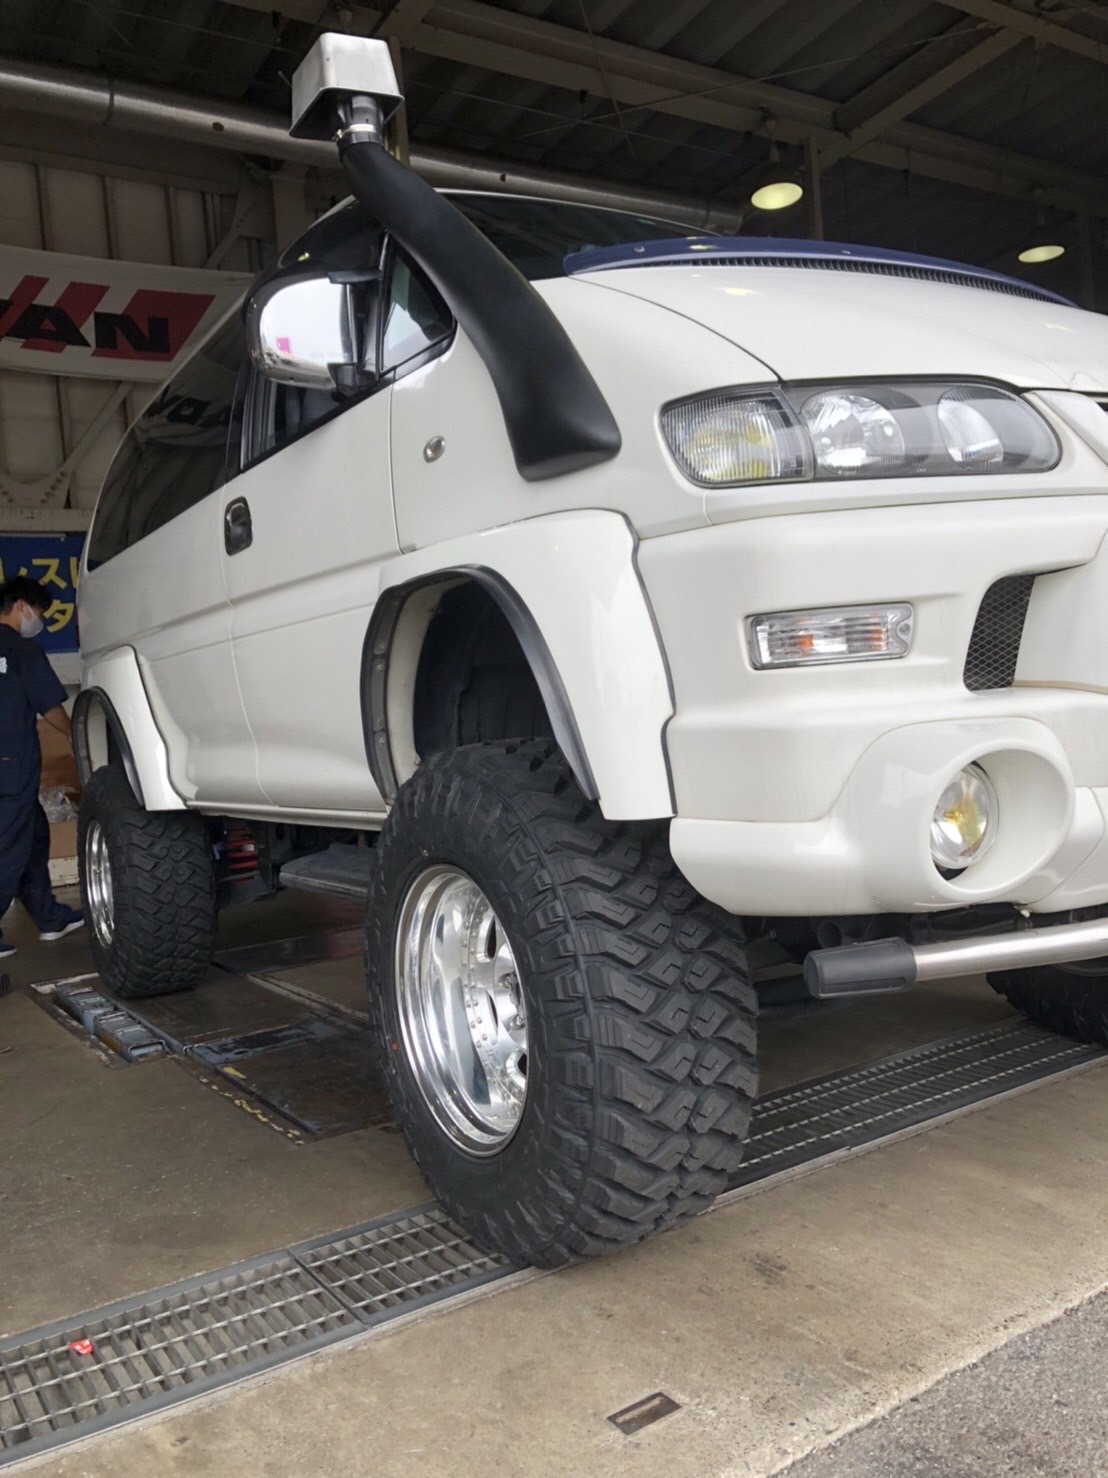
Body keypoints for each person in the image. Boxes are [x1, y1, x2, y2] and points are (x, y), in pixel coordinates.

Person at [0, 575, 84, 959]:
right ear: (21, 606)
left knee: (33, 836)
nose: (41, 620)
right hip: (12, 764)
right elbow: (51, 708)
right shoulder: (22, 651)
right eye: (39, 612)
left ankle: (49, 917)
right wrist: (78, 739)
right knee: (9, 845)